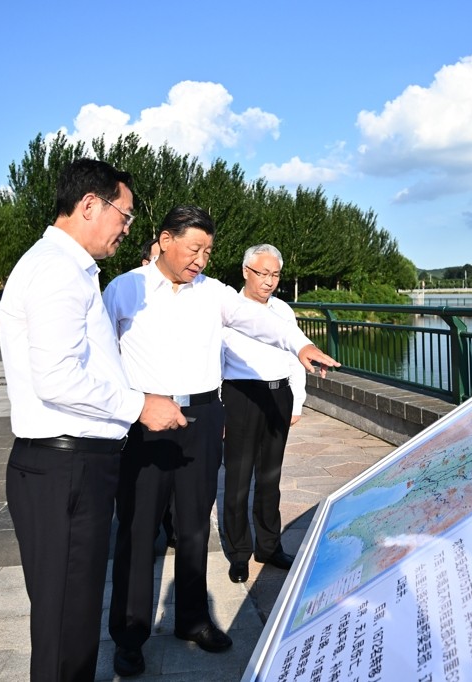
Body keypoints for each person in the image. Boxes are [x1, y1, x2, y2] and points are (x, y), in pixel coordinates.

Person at [103, 205, 338, 677]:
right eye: (195, 248)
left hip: (204, 415)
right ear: (165, 240)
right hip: (145, 416)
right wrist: (123, 409)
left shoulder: (213, 293)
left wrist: (300, 345)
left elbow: (259, 320)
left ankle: (192, 619)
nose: (202, 259)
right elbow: (101, 351)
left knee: (193, 527)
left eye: (209, 251)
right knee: (137, 528)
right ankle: (129, 635)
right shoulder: (125, 288)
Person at [0, 158, 186, 681]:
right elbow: (56, 377)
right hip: (66, 467)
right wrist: (139, 406)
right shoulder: (58, 270)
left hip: (73, 465)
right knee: (66, 627)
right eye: (123, 215)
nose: (127, 229)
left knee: (74, 618)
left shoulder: (67, 267)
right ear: (88, 205)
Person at [221, 244, 307, 583]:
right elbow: (215, 362)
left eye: (275, 274)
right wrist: (219, 409)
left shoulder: (283, 310)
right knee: (238, 480)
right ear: (246, 271)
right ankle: (239, 553)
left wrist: (296, 402)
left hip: (278, 395)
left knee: (270, 478)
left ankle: (269, 547)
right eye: (263, 273)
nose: (269, 281)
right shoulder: (228, 309)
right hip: (240, 396)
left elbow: (295, 358)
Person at [140, 236, 178, 551]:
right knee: (147, 483)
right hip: (142, 408)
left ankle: (174, 529)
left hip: (181, 407)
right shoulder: (128, 295)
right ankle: (147, 536)